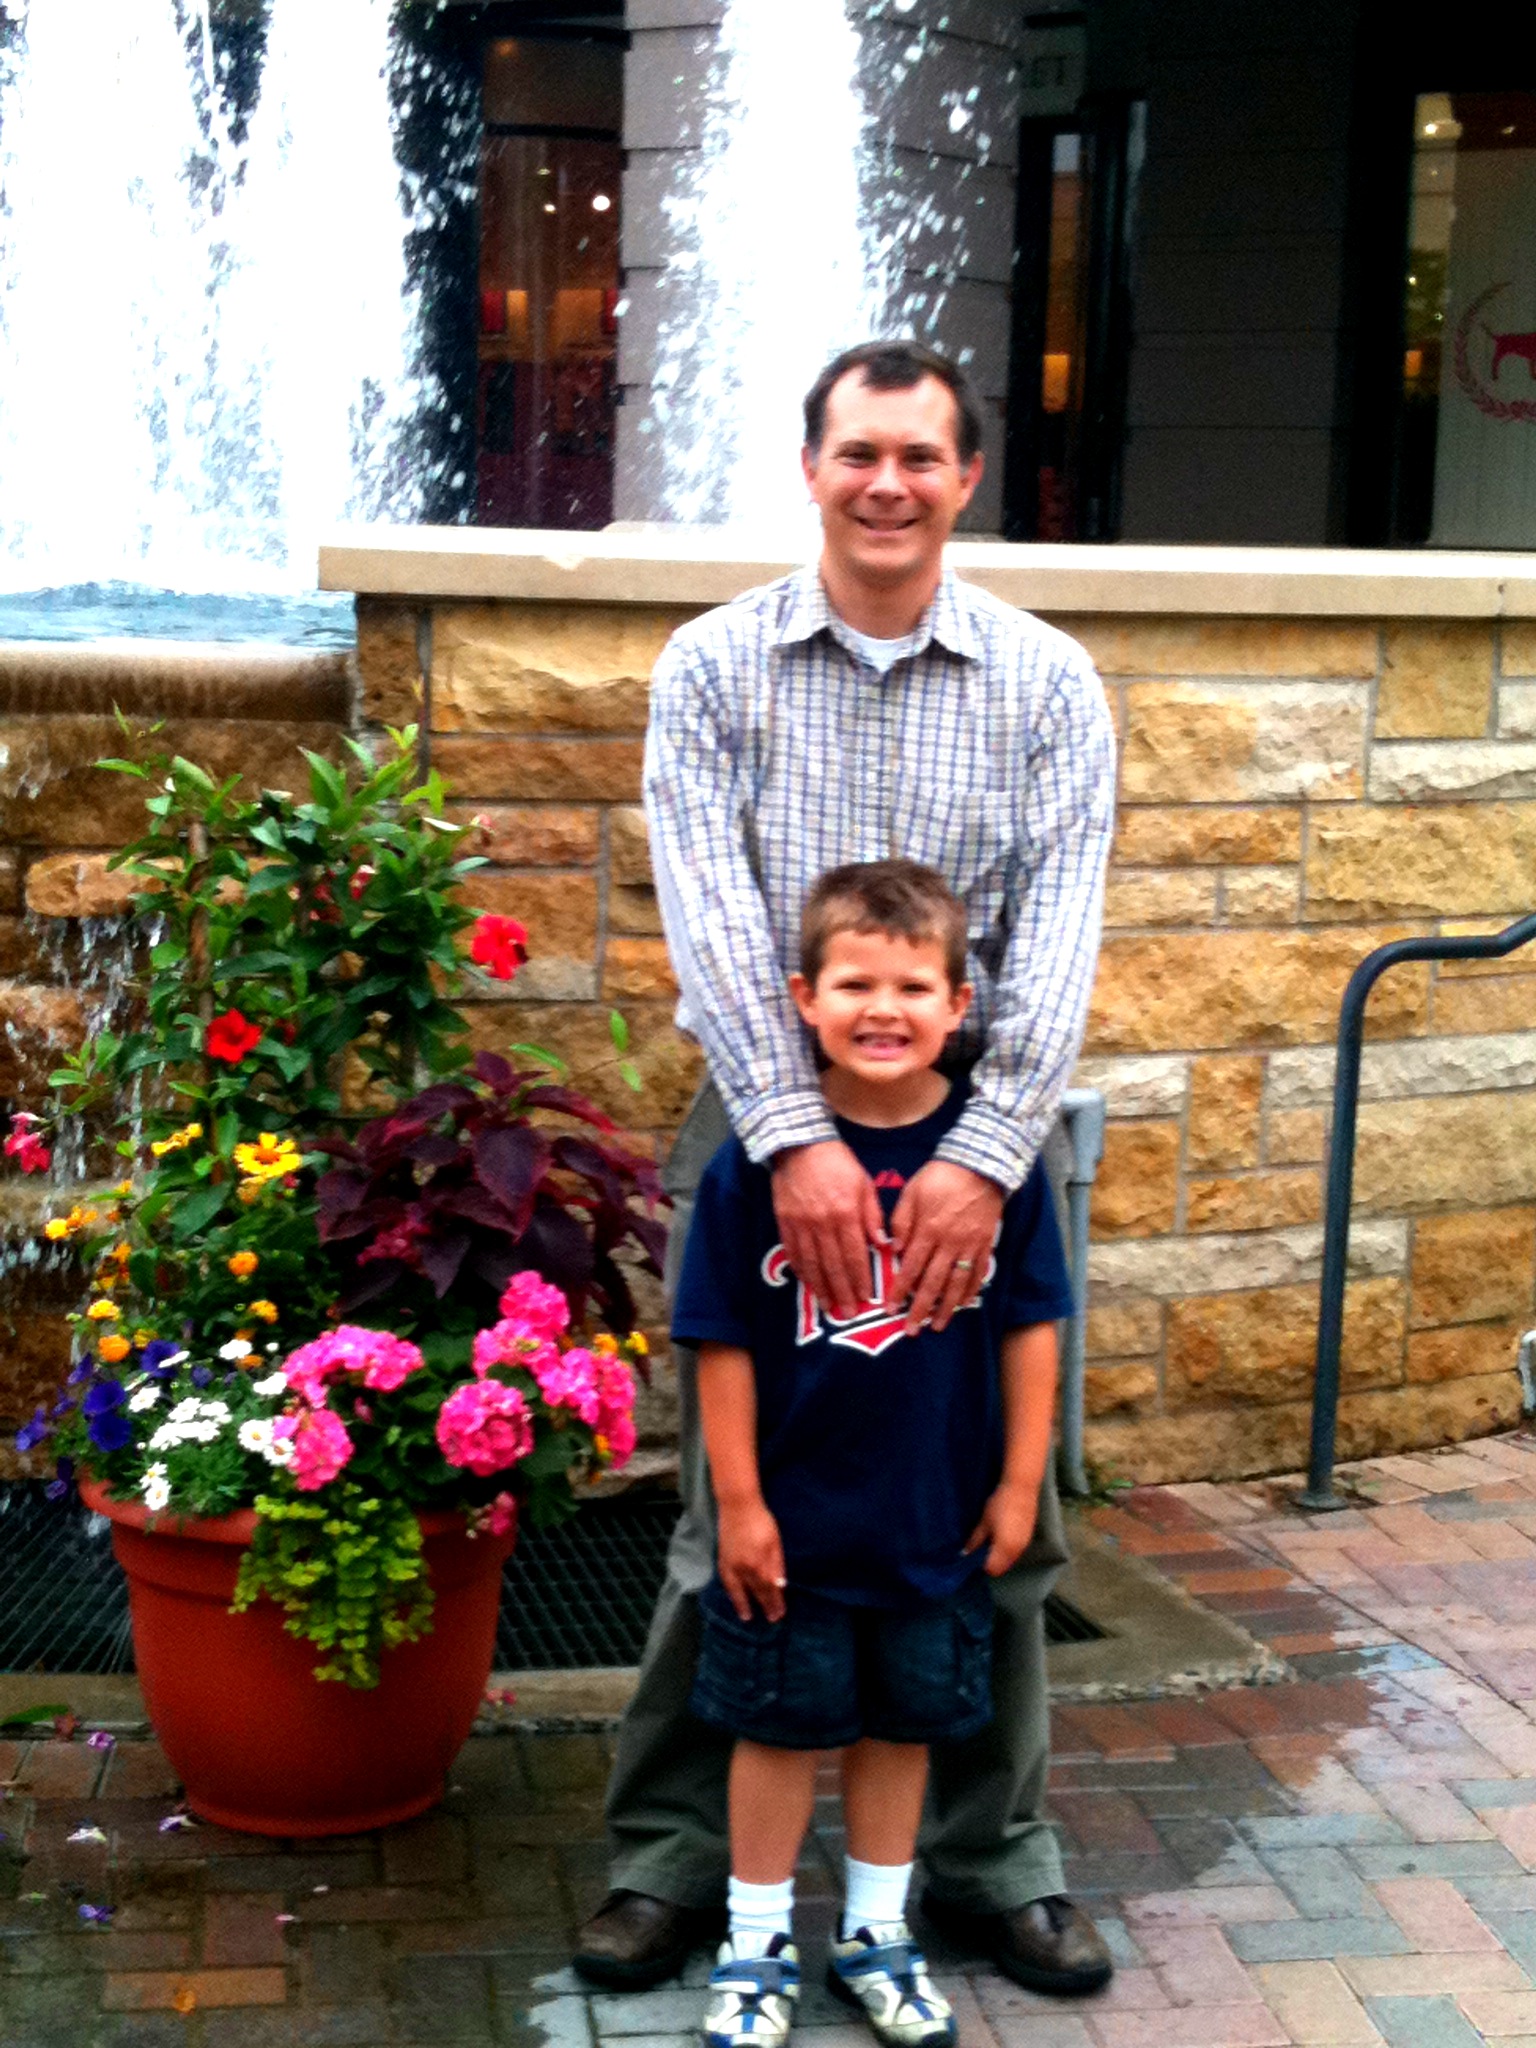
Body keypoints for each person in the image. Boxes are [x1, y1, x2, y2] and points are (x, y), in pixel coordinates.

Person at [573, 338, 1116, 1999]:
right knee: (730, 1505)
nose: (889, 483)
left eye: (920, 456)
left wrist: (987, 1156)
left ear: (967, 478)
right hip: (763, 1112)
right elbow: (709, 913)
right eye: (859, 452)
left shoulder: (1047, 685)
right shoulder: (713, 667)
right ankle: (675, 1858)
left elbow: (1059, 934)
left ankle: (990, 1861)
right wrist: (792, 1134)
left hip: (983, 1126)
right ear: (811, 468)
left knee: (997, 1508)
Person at [679, 860, 1077, 2048]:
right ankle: (755, 1942)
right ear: (804, 997)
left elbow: (1034, 1324)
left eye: (912, 985)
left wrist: (1020, 1482)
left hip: (934, 1511)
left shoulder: (999, 1166)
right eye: (855, 983)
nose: (883, 1008)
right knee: (776, 1726)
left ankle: (874, 1931)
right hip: (792, 1521)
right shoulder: (755, 1166)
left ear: (961, 1003)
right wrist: (739, 1501)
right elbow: (717, 1337)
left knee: (902, 1725)